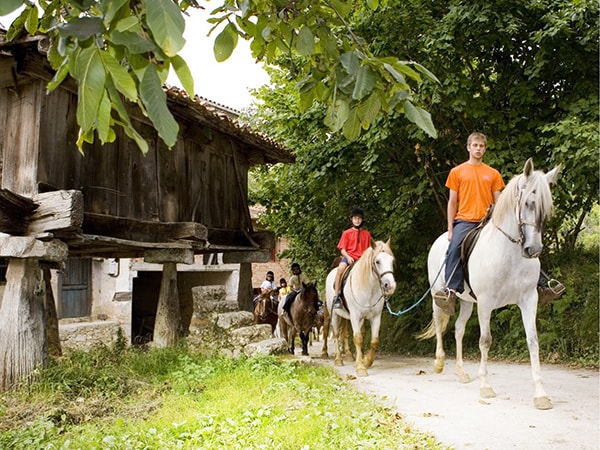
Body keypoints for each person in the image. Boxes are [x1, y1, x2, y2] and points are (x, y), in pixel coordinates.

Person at [434, 132, 564, 314]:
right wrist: (450, 227)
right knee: (455, 246)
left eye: (481, 146)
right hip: (466, 220)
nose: (478, 149)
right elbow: (452, 202)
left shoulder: (493, 174)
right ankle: (451, 291)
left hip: (489, 220)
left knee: (522, 241)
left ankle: (542, 285)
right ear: (468, 147)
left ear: (485, 149)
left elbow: (499, 201)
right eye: (475, 145)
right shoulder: (457, 172)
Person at [332, 207, 372, 310]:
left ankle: (382, 299)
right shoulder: (346, 233)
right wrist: (348, 257)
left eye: (359, 218)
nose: (357, 220)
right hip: (349, 257)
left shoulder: (367, 234)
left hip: (362, 260)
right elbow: (342, 249)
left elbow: (368, 250)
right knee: (340, 269)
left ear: (362, 220)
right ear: (351, 219)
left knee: (376, 271)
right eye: (355, 218)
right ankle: (336, 296)